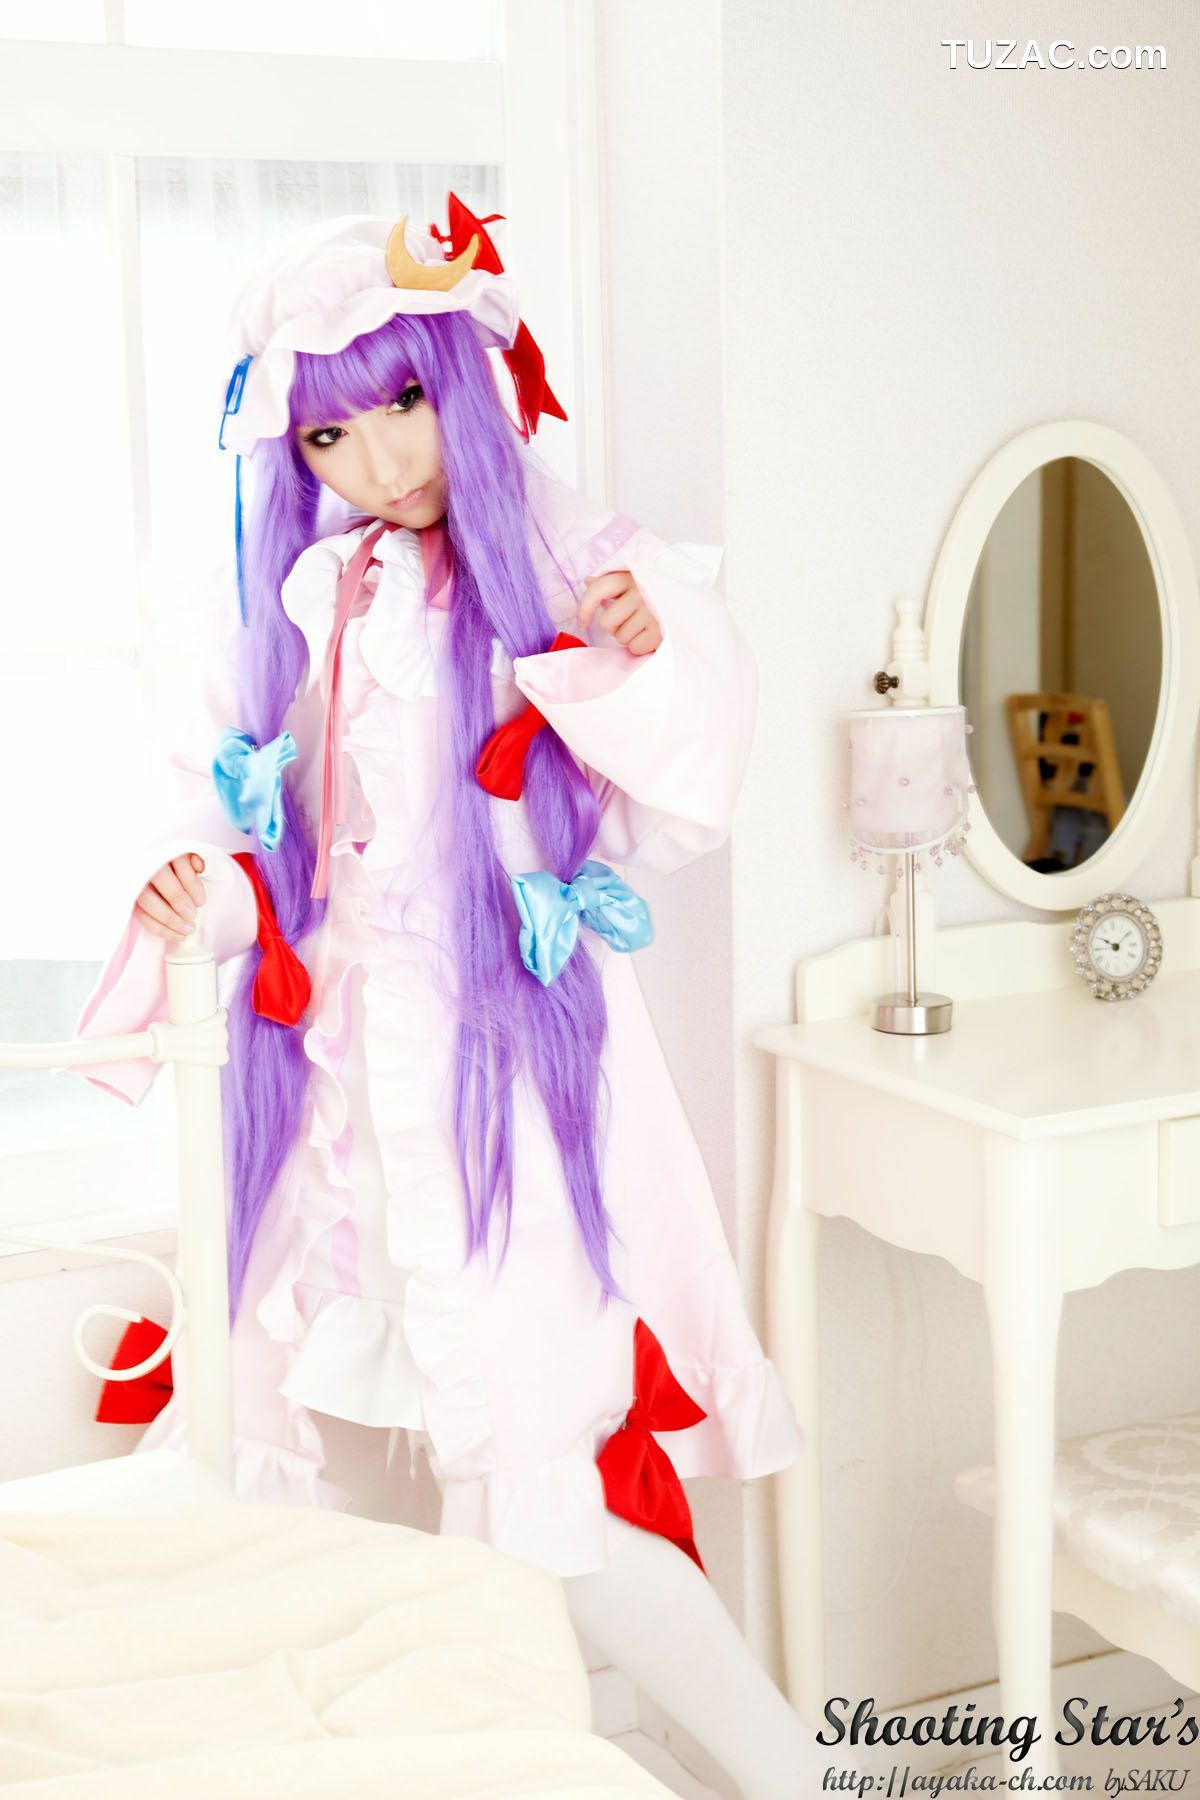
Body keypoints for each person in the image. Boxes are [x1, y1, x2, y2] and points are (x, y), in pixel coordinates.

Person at [73, 198, 870, 1798]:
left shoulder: (562, 559)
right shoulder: (314, 599)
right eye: (332, 435)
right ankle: (465, 1751)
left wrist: (633, 648)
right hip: (341, 1095)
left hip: (507, 1079)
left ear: (463, 378)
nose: (381, 461)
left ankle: (785, 1772)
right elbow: (262, 838)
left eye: (406, 403)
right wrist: (201, 901)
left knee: (537, 1463)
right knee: (323, 1450)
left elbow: (681, 790)